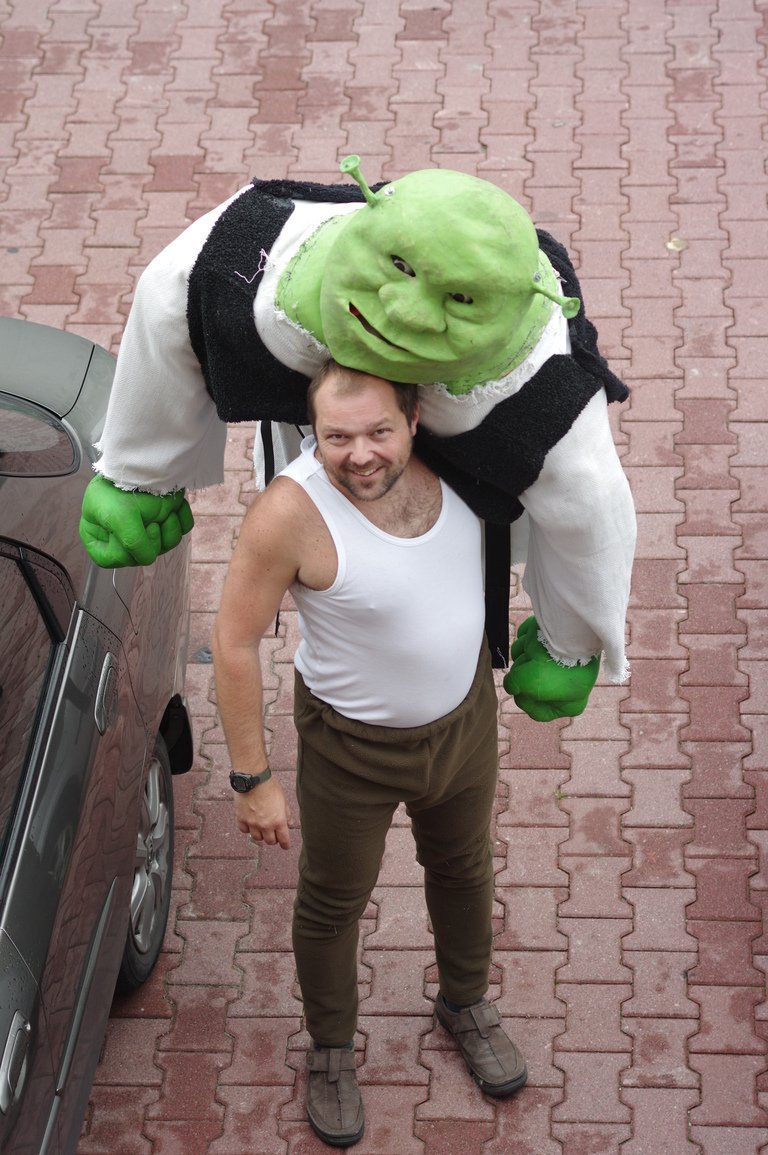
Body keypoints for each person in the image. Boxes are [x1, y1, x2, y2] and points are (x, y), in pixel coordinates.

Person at [80, 157, 636, 720]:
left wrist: (570, 645)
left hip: (459, 497)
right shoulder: (252, 264)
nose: (406, 311)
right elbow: (169, 296)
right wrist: (139, 472)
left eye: (460, 301)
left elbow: (592, 510)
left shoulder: (543, 393)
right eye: (399, 268)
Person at [212, 359, 528, 1148]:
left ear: (415, 418)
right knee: (331, 903)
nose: (360, 454)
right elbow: (234, 641)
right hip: (349, 748)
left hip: (464, 722)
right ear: (313, 433)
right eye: (337, 437)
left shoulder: (464, 461)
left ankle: (464, 1001)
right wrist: (252, 777)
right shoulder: (288, 512)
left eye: (379, 431)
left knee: (464, 867)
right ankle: (329, 1049)